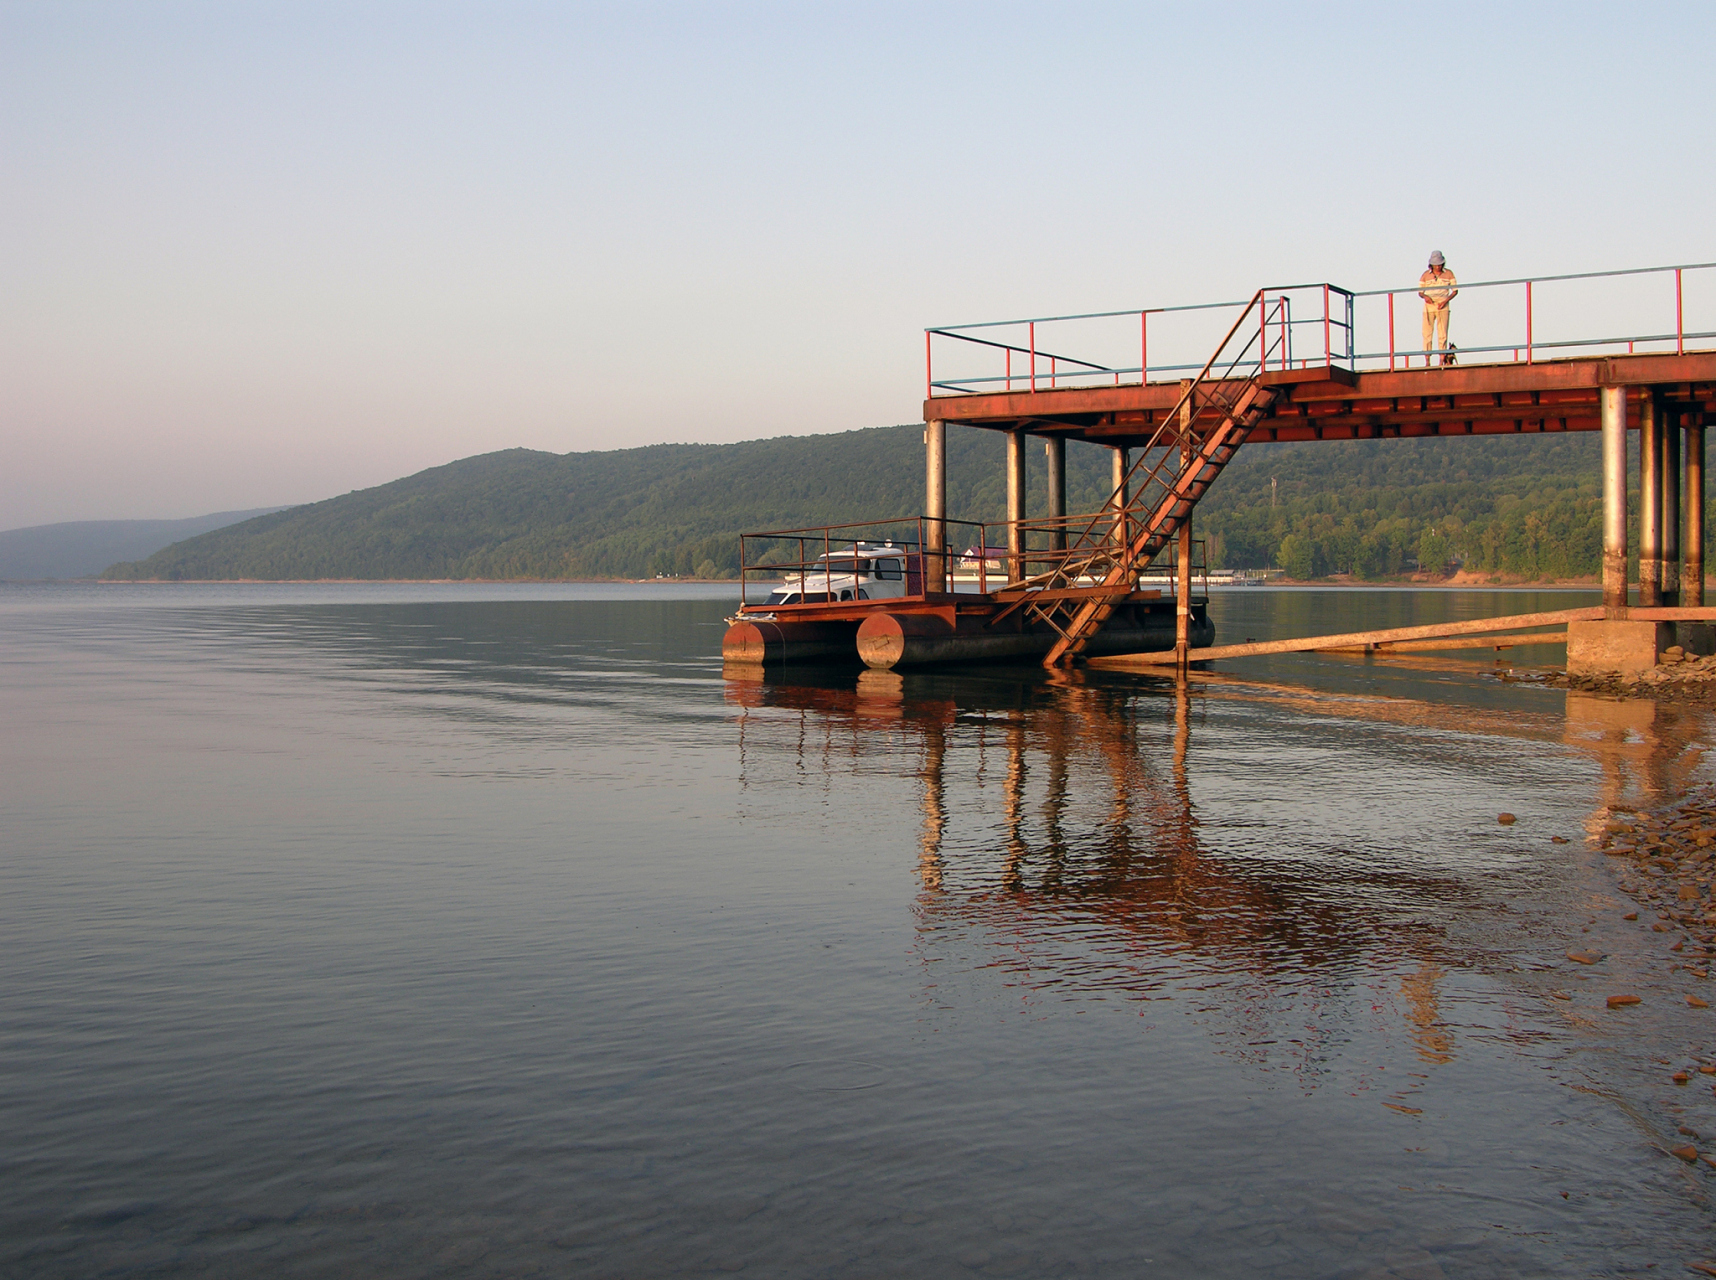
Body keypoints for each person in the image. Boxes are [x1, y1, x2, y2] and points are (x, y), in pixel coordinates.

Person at [1419, 250, 1457, 366]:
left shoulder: (1449, 274)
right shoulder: (1425, 275)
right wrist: (1426, 297)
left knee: (1442, 334)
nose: (1438, 266)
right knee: (1427, 333)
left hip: (1443, 305)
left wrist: (1445, 301)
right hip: (1429, 306)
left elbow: (1455, 290)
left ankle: (1441, 360)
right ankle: (1427, 360)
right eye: (1436, 264)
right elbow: (1420, 292)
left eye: (1440, 264)